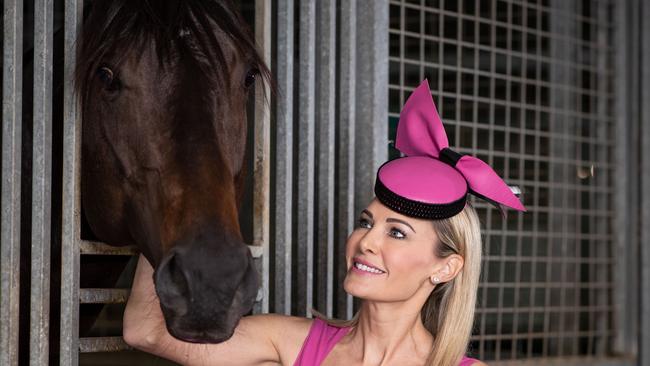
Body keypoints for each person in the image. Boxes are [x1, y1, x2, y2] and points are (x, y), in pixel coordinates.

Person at [123, 79, 525, 365]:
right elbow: (147, 331)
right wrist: (178, 203)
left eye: (397, 232)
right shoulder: (291, 343)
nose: (366, 241)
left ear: (447, 267)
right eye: (366, 222)